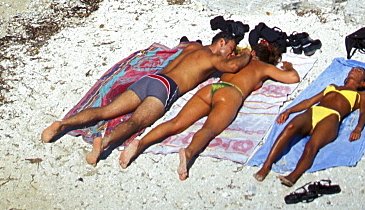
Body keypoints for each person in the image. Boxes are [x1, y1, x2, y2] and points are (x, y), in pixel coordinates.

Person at [41, 34, 251, 165]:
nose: (229, 55)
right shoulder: (213, 58)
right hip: (167, 87)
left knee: (106, 111)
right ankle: (103, 143)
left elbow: (183, 44)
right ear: (220, 42)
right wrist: (247, 55)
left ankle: (62, 123)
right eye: (230, 49)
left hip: (151, 78)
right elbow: (232, 67)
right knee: (135, 122)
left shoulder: (192, 48)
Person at [119, 39, 299, 177]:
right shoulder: (264, 67)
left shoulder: (237, 58)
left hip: (211, 89)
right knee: (209, 129)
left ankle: (140, 143)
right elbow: (292, 78)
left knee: (176, 122)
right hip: (231, 95)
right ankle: (188, 153)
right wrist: (289, 66)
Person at [253, 65, 365, 187]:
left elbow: (364, 112)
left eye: (360, 71)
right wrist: (289, 111)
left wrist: (358, 128)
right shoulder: (332, 87)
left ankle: (293, 175)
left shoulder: (361, 95)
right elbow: (309, 102)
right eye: (354, 68)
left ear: (363, 84)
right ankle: (266, 165)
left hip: (331, 118)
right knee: (290, 127)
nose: (355, 70)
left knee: (311, 145)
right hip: (314, 111)